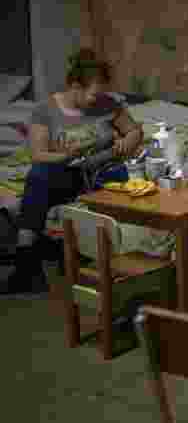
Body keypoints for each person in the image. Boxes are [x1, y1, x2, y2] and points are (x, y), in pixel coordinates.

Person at [2, 49, 144, 294]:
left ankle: (111, 254)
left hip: (103, 173)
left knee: (126, 176)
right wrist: (69, 155)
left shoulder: (108, 104)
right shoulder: (45, 111)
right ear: (74, 86)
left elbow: (134, 131)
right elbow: (39, 154)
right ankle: (26, 266)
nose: (98, 100)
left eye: (101, 94)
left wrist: (128, 141)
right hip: (67, 175)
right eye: (93, 95)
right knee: (38, 175)